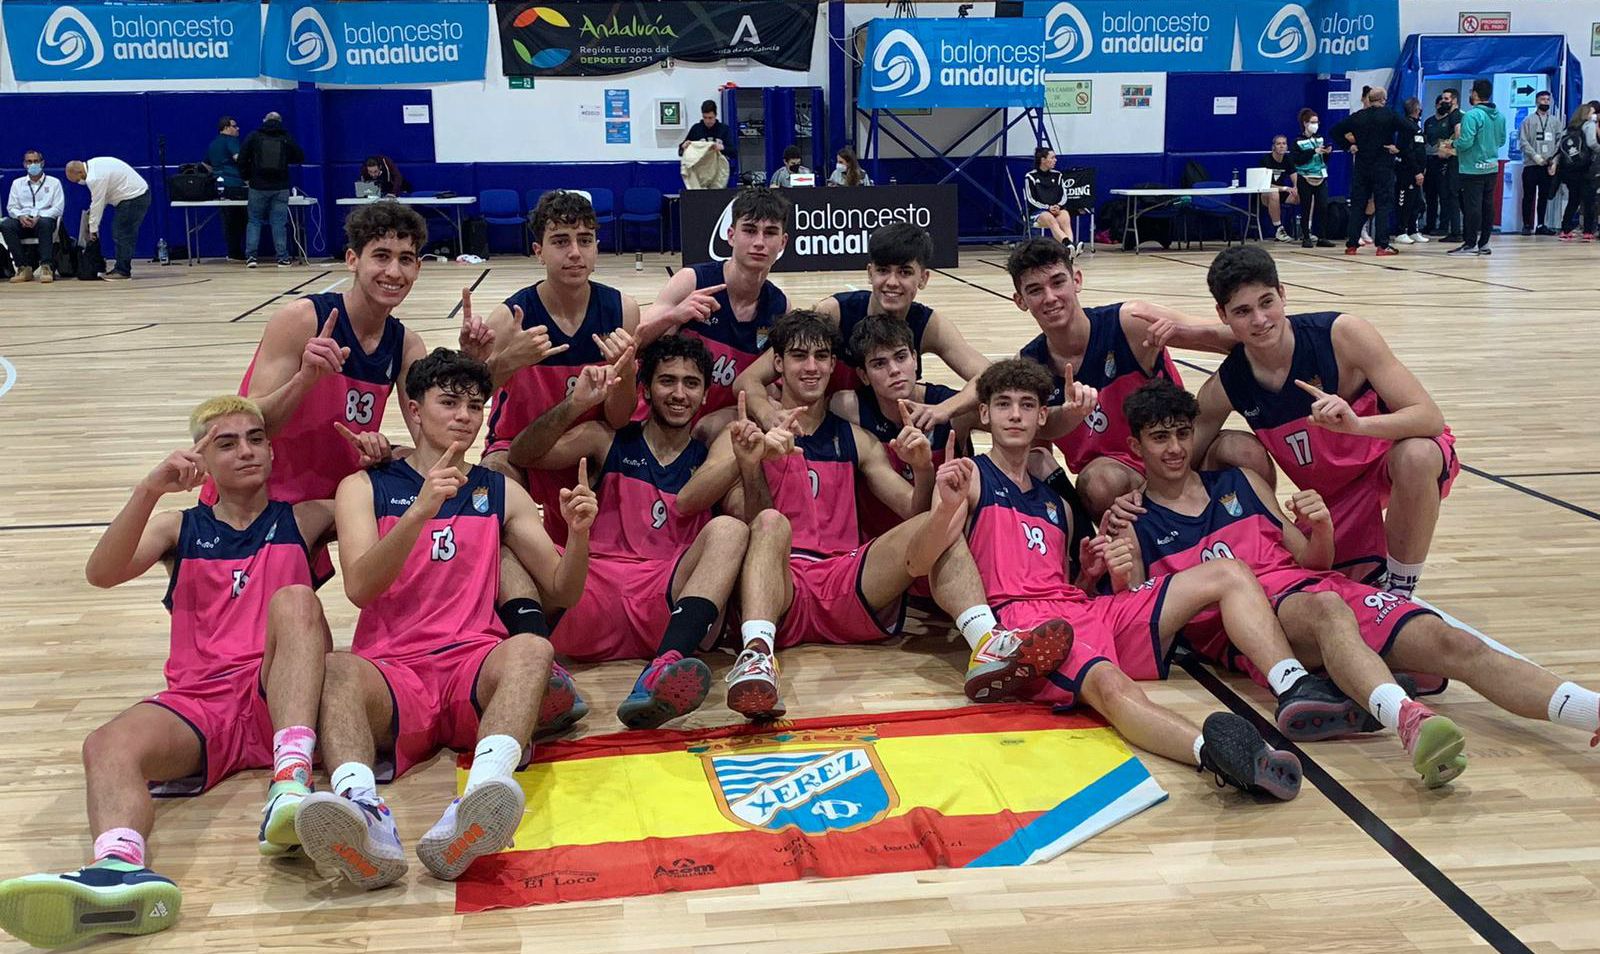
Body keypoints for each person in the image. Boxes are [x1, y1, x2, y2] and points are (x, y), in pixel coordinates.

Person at [1120, 378, 1600, 784]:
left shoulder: (1242, 482)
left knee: (1455, 644)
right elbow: (1142, 617)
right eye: (1160, 438)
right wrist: (1119, 570)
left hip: (1315, 589)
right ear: (1136, 447)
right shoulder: (1132, 520)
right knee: (1328, 612)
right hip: (1263, 623)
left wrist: (1322, 526)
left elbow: (1310, 559)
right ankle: (1406, 717)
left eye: (1183, 433)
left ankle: (1591, 712)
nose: (1176, 448)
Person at [0, 397, 335, 948]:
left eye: (256, 438)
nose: (246, 451)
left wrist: (382, 456)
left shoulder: (306, 518)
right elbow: (101, 573)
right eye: (226, 444)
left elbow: (385, 507)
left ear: (273, 450)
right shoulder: (178, 529)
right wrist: (149, 488)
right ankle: (118, 869)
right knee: (105, 744)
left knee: (297, 599)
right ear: (202, 459)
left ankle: (290, 781)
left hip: (280, 691)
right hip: (199, 705)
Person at [903, 360, 1309, 801]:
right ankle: (1221, 756)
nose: (1015, 415)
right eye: (1003, 405)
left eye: (1026, 405)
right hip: (1030, 630)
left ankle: (1296, 683)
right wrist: (942, 505)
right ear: (984, 415)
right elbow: (923, 559)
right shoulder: (973, 476)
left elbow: (1067, 580)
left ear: (1043, 417)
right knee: (1111, 686)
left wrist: (1091, 572)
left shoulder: (1057, 501)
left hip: (1083, 608)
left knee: (1228, 572)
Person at [295, 349, 595, 890]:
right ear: (413, 410)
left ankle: (480, 798)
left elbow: (561, 587)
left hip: (470, 667)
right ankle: (362, 813)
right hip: (393, 671)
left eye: (475, 406)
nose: (464, 415)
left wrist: (577, 536)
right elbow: (361, 588)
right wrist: (418, 512)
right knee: (336, 668)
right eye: (449, 402)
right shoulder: (363, 487)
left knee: (533, 648)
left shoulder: (498, 489)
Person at [678, 311, 1072, 716]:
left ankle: (985, 640)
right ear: (778, 364)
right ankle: (757, 653)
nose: (811, 367)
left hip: (847, 578)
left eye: (821, 357)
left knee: (940, 521)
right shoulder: (747, 432)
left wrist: (922, 470)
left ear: (834, 365)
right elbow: (702, 507)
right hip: (781, 584)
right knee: (770, 522)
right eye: (798, 357)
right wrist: (748, 462)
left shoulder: (858, 439)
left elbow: (912, 513)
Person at [507, 335, 750, 728]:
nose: (678, 393)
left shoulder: (711, 462)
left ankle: (665, 665)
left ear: (706, 395)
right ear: (645, 389)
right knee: (506, 536)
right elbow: (521, 454)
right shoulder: (606, 438)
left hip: (667, 601)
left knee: (731, 530)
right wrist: (577, 404)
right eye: (666, 380)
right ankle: (541, 671)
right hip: (590, 592)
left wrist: (750, 465)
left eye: (691, 383)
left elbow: (748, 519)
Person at [1193, 246, 1458, 595]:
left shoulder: (1342, 335)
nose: (1260, 319)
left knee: (1418, 455)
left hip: (1385, 466)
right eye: (1243, 311)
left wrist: (1358, 426)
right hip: (1331, 500)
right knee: (1229, 447)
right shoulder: (1228, 383)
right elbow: (1183, 454)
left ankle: (1401, 588)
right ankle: (1269, 545)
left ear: (1283, 294)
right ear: (1222, 315)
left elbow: (1430, 418)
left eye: (1267, 302)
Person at [1006, 238, 1258, 520]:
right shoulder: (1030, 367)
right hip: (1122, 477)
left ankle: (1265, 540)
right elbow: (1038, 455)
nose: (1050, 297)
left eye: (1057, 282)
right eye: (1035, 290)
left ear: (1076, 279)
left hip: (1185, 449)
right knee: (1100, 483)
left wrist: (1185, 334)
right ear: (1020, 301)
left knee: (1243, 450)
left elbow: (1241, 335)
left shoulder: (1130, 321)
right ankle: (1151, 545)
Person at [475, 190, 640, 544]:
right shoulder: (509, 318)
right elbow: (471, 399)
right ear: (539, 252)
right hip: (516, 447)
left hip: (584, 445)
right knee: (490, 489)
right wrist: (506, 361)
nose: (575, 253)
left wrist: (625, 374)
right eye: (561, 241)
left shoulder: (621, 310)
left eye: (584, 240)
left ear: (597, 248)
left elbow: (618, 418)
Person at [733, 223, 990, 430]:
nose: (892, 282)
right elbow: (749, 378)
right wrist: (767, 413)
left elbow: (992, 376)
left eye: (904, 272)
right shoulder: (832, 313)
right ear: (869, 273)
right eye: (882, 270)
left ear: (923, 278)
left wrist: (945, 408)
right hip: (825, 427)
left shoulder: (930, 325)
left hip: (881, 433)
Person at [637, 186, 789, 424]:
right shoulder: (692, 281)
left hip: (720, 426)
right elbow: (635, 344)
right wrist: (674, 316)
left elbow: (772, 381)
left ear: (782, 242)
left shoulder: (780, 307)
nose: (759, 242)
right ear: (730, 235)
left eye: (770, 233)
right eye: (749, 230)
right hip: (664, 421)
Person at [830, 315, 972, 538]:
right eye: (879, 363)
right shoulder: (845, 407)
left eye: (901, 357)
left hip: (944, 539)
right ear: (863, 376)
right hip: (879, 545)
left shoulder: (954, 410)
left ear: (915, 359)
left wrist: (948, 408)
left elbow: (999, 387)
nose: (894, 370)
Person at [1331, 86, 1404, 255]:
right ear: (1383, 100)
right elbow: (1410, 128)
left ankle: (1351, 244)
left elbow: (1334, 131)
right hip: (1382, 166)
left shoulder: (1358, 117)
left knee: (1358, 204)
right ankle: (1382, 245)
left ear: (1368, 99)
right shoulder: (1389, 115)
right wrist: (1398, 147)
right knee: (1382, 205)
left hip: (1362, 166)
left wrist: (1349, 146)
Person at [64, 157, 151, 281]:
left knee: (122, 233)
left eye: (77, 180)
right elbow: (101, 199)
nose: (79, 182)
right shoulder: (94, 165)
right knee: (122, 232)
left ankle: (122, 271)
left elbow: (97, 202)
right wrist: (92, 217)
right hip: (136, 195)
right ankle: (122, 268)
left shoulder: (95, 178)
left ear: (79, 172)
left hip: (134, 198)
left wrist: (93, 229)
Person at [1446, 80, 1506, 257]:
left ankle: (1470, 243)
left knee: (1472, 207)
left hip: (1473, 168)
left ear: (1474, 93)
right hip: (1492, 167)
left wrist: (1452, 144)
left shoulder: (1472, 116)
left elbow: (1465, 142)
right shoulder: (1500, 116)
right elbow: (1501, 141)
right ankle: (1484, 243)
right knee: (1488, 206)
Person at [238, 111, 305, 268]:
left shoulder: (254, 136)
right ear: (280, 121)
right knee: (278, 223)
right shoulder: (285, 137)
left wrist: (247, 177)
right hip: (280, 186)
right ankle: (282, 257)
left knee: (254, 221)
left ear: (264, 120)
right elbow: (300, 156)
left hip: (257, 186)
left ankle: (251, 257)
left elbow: (242, 158)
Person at [2, 148, 64, 283]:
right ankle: (23, 267)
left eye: (36, 161)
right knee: (6, 224)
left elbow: (58, 208)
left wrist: (39, 216)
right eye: (29, 162)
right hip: (23, 221)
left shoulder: (54, 183)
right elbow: (11, 207)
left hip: (44, 221)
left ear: (42, 163)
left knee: (45, 223)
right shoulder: (17, 183)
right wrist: (20, 216)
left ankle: (46, 266)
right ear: (24, 164)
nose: (33, 164)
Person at [1288, 109, 1335, 248]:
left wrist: (1327, 152)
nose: (1316, 125)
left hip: (1320, 176)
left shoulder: (1320, 138)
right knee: (1306, 207)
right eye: (1312, 122)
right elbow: (1297, 160)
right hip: (1305, 177)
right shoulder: (1297, 141)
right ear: (1305, 123)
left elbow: (1323, 160)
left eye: (1317, 122)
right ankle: (1306, 237)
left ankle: (1322, 236)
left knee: (1322, 206)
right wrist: (1313, 152)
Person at [1518, 90, 1561, 235]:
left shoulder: (1555, 121)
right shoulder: (1528, 120)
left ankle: (1541, 224)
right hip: (1532, 164)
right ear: (1537, 101)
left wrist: (1554, 161)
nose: (1546, 102)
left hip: (1547, 165)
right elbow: (1523, 141)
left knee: (1544, 196)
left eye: (1548, 100)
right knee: (1529, 196)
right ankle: (1527, 224)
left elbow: (1559, 142)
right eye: (1543, 99)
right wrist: (1535, 156)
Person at [204, 116, 247, 261]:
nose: (237, 128)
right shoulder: (231, 141)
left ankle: (232, 251)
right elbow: (239, 158)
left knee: (227, 220)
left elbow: (206, 165)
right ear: (226, 128)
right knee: (240, 219)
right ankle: (237, 252)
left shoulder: (213, 143)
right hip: (234, 185)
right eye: (235, 126)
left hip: (218, 186)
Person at [1424, 89, 1463, 241]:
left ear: (1454, 100)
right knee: (1431, 195)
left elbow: (1458, 137)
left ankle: (1447, 227)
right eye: (1441, 100)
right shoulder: (1429, 122)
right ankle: (1430, 224)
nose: (1444, 103)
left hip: (1447, 160)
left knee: (1447, 195)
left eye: (1446, 99)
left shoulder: (1456, 117)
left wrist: (1447, 149)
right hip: (1431, 159)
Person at [1555, 104, 1598, 240]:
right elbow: (1592, 143)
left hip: (1569, 170)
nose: (1594, 115)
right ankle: (1588, 231)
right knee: (1589, 200)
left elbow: (1560, 149)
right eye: (1592, 112)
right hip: (1585, 168)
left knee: (1573, 199)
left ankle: (1565, 229)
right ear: (1586, 114)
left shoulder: (1568, 129)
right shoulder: (1588, 125)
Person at [1393, 98, 1429, 246]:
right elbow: (1407, 151)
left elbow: (1420, 150)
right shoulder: (1406, 127)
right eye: (1419, 108)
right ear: (1415, 109)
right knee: (1405, 202)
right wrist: (1416, 171)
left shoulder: (1416, 127)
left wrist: (1422, 169)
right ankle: (1401, 231)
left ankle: (1413, 230)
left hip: (1418, 172)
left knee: (1415, 201)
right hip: (1407, 172)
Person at [1025, 147, 1075, 245]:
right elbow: (1031, 199)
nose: (1055, 160)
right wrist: (1048, 207)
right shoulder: (1030, 176)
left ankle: (1071, 249)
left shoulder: (1058, 175)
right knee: (1050, 219)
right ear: (1043, 160)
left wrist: (1058, 206)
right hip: (1038, 211)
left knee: (1065, 216)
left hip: (1056, 208)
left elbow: (1064, 195)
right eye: (1052, 158)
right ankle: (1067, 244)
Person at [1259, 136, 1300, 242]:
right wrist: (1285, 188)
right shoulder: (1266, 160)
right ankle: (1279, 229)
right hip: (1266, 194)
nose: (1281, 146)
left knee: (1306, 194)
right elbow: (1265, 184)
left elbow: (1294, 175)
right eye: (1278, 144)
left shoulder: (1288, 159)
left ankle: (1307, 229)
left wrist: (1296, 187)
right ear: (1273, 147)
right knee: (1274, 193)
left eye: (1284, 143)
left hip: (1283, 193)